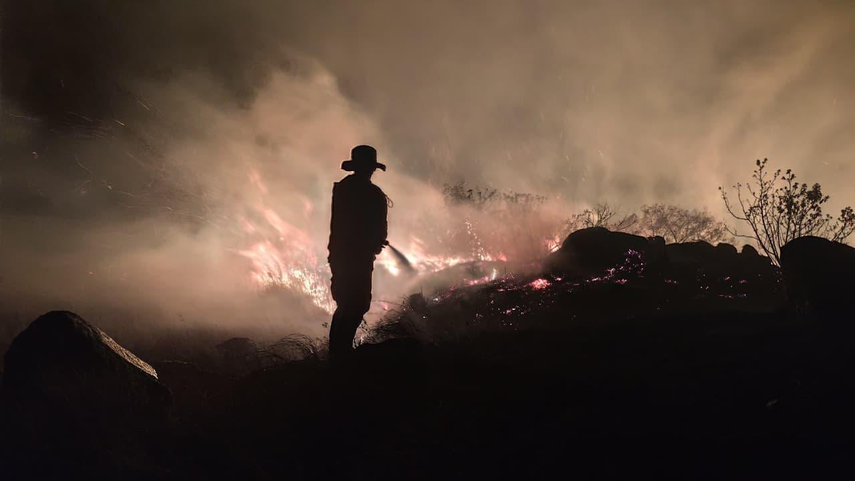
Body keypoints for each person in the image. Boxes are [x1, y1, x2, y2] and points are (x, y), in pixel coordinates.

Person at [327, 145, 389, 361]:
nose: (370, 171)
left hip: (343, 255)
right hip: (356, 257)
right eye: (369, 167)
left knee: (348, 303)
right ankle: (340, 354)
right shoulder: (367, 192)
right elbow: (365, 225)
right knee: (356, 303)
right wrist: (373, 241)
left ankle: (337, 352)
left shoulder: (345, 188)